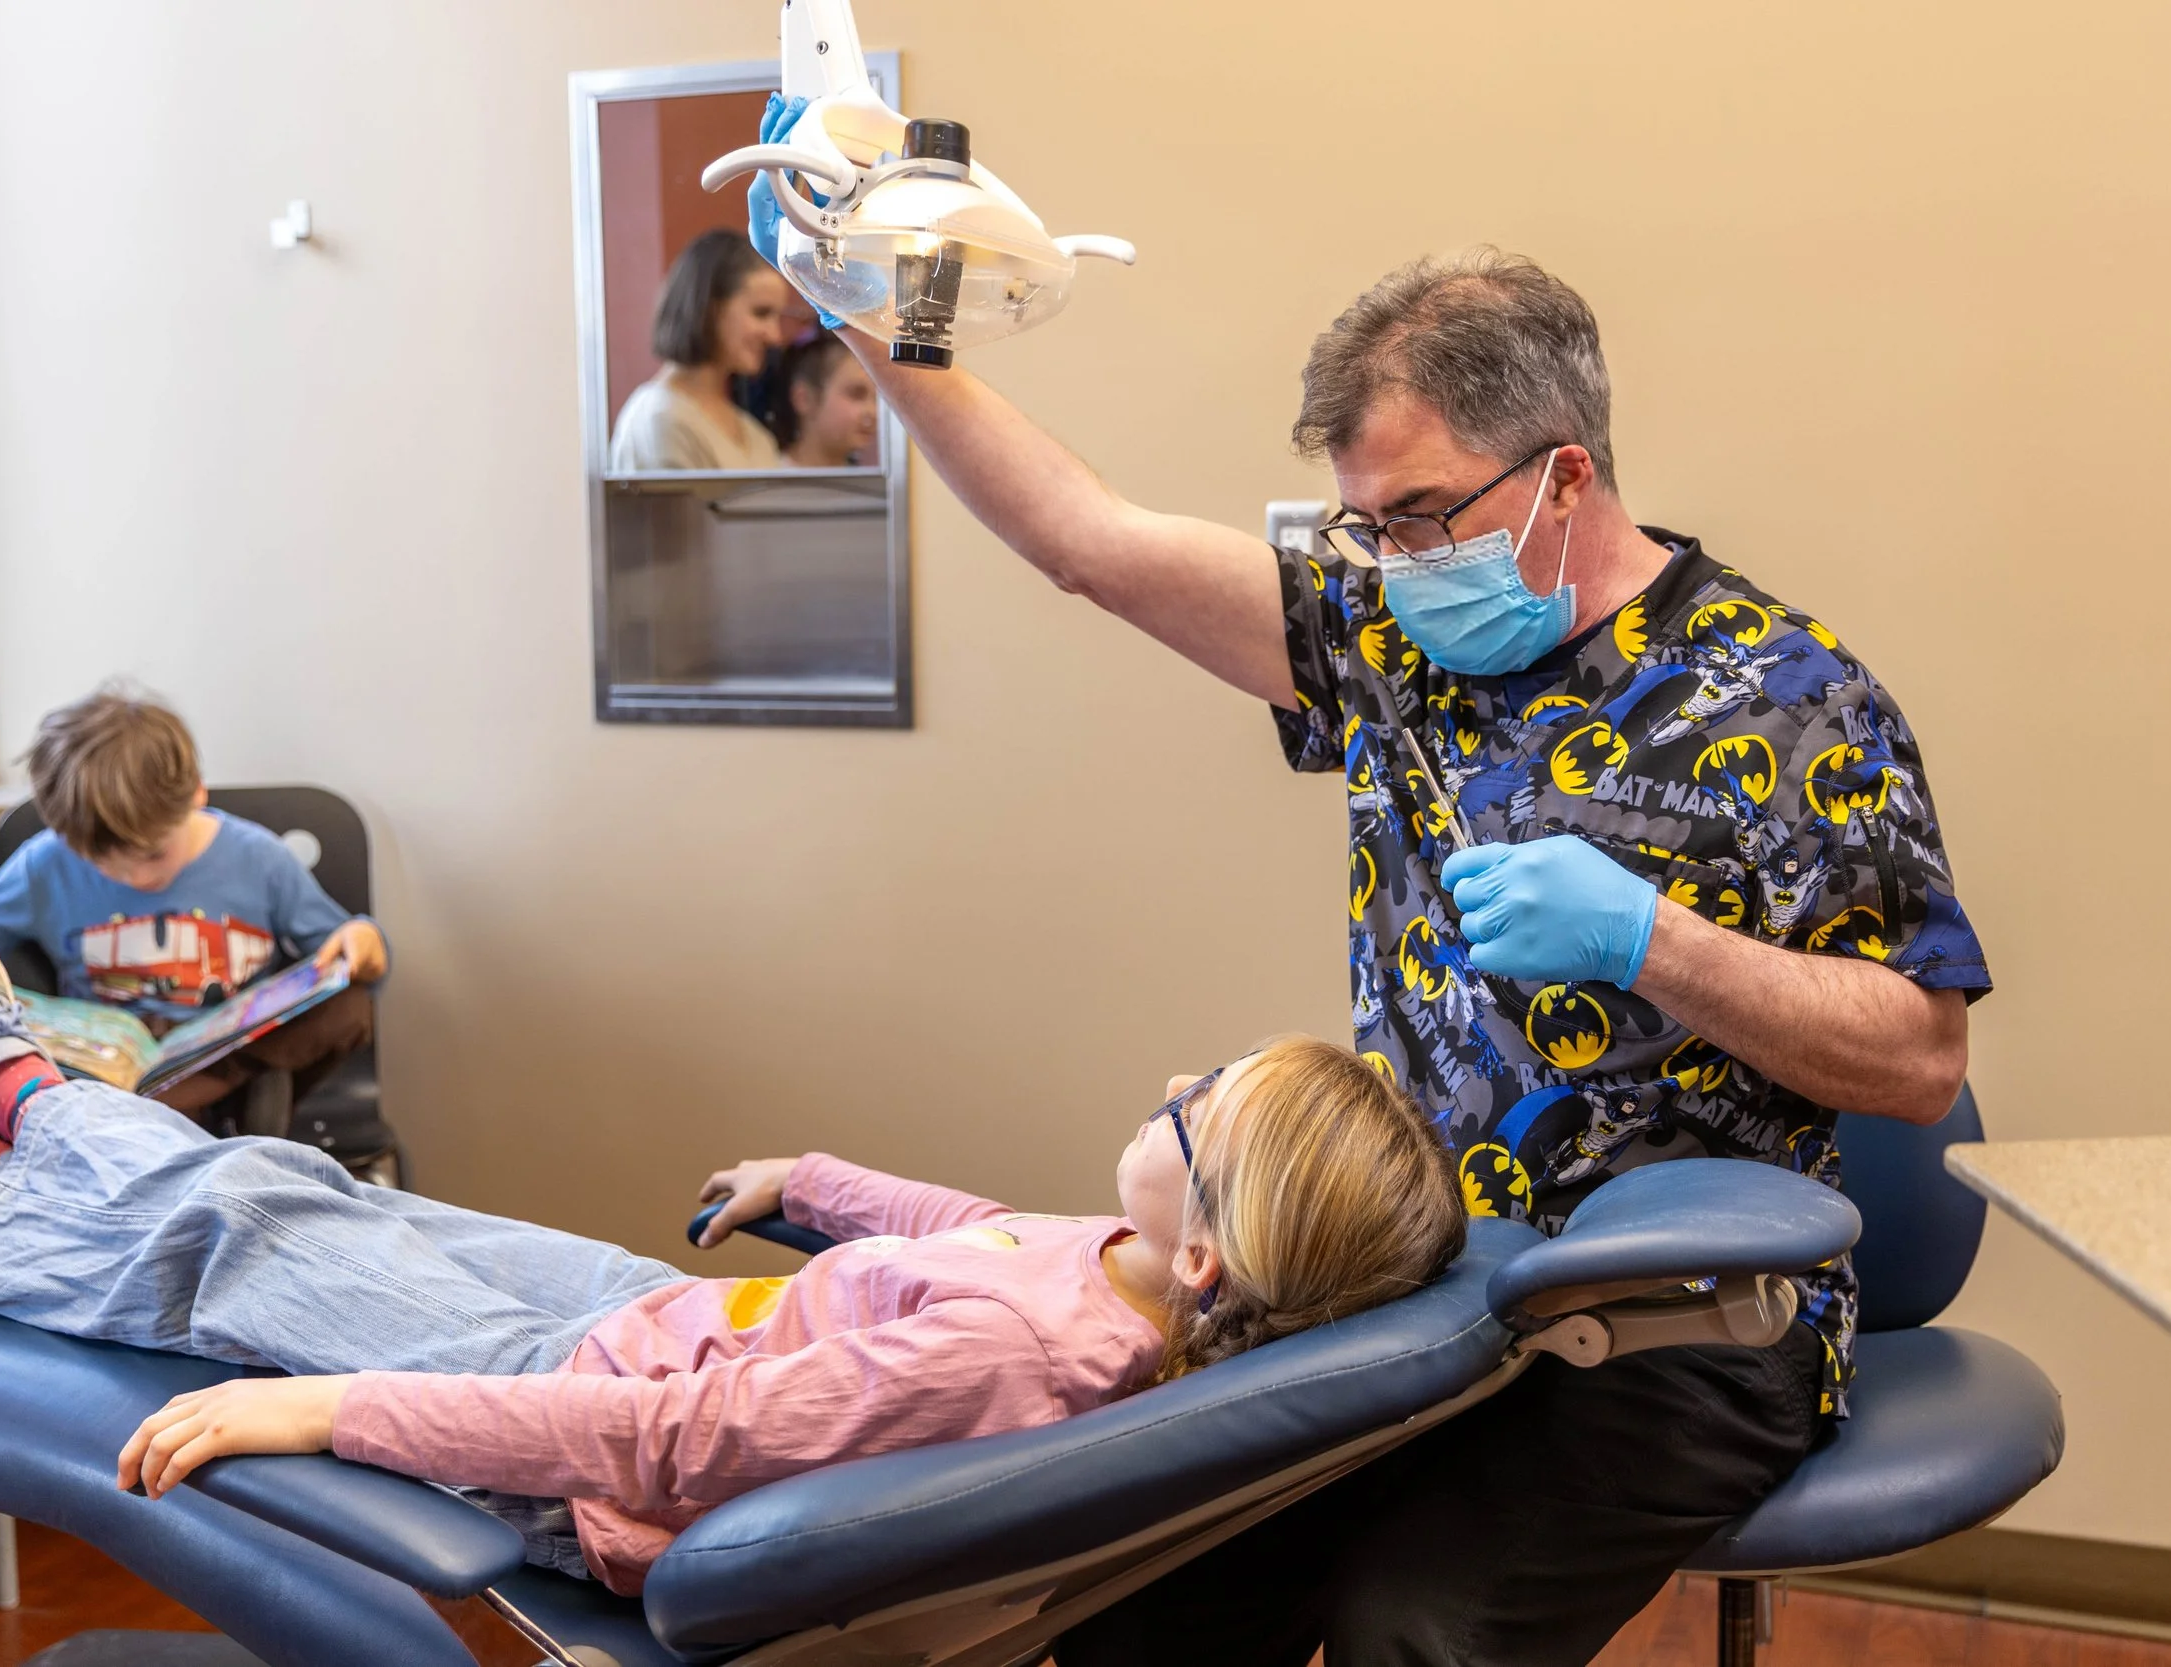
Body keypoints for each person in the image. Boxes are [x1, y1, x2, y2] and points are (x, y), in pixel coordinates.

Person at [752, 92, 1991, 1667]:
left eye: (1421, 514)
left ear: (1564, 474)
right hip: (1402, 1286)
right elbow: (1090, 542)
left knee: (1414, 1630)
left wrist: (1653, 940)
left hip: (1690, 1326)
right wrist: (886, 332)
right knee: (1138, 1586)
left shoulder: (1790, 697)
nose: (1394, 559)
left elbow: (1917, 1058)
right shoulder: (1394, 635)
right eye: (1367, 523)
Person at [0, 909, 1467, 1597]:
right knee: (297, 1176)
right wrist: (817, 1176)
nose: (1178, 1086)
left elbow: (667, 1446)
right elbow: (967, 1232)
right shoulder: (1125, 1265)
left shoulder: (1015, 1363)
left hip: (594, 1432)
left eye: (1202, 1114)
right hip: (661, 1315)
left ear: (1214, 1264)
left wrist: (325, 1406)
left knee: (228, 1229)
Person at [0, 688, 387, 1134]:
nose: (135, 879)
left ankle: (183, 1106)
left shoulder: (259, 857)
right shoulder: (45, 863)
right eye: (103, 864)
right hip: (107, 1066)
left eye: (154, 855)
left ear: (196, 793)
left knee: (347, 1009)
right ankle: (174, 1112)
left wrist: (364, 942)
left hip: (229, 1055)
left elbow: (344, 955)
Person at [608, 229, 791, 472]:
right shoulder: (662, 419)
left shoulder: (752, 432)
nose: (775, 336)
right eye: (760, 313)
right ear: (710, 308)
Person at [771, 330, 882, 467]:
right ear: (804, 398)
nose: (873, 412)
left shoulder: (870, 483)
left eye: (877, 399)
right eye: (856, 394)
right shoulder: (766, 471)